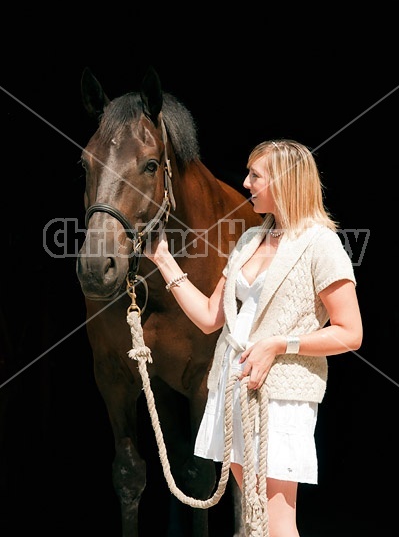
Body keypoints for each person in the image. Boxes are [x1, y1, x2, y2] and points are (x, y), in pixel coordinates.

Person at [144, 139, 363, 537]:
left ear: (283, 182)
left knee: (278, 525)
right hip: (233, 384)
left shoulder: (321, 244)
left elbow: (351, 333)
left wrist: (280, 344)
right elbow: (212, 318)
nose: (245, 183)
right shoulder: (249, 241)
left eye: (255, 176)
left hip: (280, 393)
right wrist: (162, 259)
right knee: (253, 519)